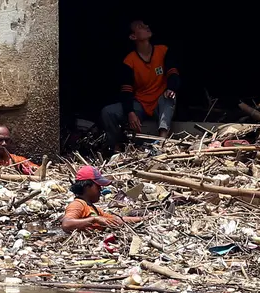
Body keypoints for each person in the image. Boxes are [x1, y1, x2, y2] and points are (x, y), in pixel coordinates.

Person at [101, 20, 180, 152]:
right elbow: (126, 90)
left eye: (145, 25)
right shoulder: (129, 60)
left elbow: (173, 73)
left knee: (169, 97)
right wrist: (130, 112)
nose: (146, 27)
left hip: (160, 101)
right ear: (133, 36)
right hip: (141, 103)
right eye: (140, 27)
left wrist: (171, 87)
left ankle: (161, 141)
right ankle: (116, 147)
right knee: (107, 112)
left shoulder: (162, 51)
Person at [61, 166, 143, 233]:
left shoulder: (93, 209)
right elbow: (66, 224)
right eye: (98, 186)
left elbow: (116, 219)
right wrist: (94, 219)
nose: (100, 189)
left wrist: (142, 219)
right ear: (86, 187)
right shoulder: (78, 204)